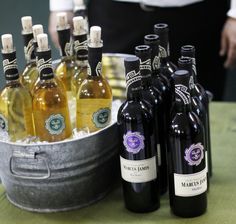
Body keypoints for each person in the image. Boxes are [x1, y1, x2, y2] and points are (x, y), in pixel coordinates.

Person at [49, 0, 236, 100]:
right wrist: (62, 5)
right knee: (113, 109)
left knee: (196, 107)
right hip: (114, 16)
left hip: (197, 15)